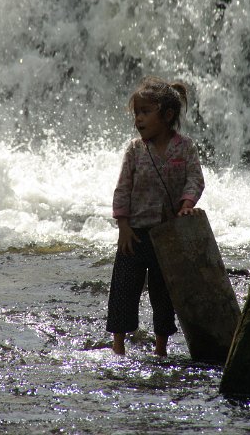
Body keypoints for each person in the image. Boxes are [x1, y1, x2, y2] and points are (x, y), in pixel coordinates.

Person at [106, 76, 205, 356]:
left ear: (168, 115)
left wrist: (187, 204)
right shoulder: (135, 150)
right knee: (124, 290)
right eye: (136, 113)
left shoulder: (185, 148)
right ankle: (118, 345)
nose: (138, 119)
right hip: (134, 234)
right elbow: (122, 188)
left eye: (145, 112)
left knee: (164, 294)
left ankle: (161, 348)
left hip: (168, 235)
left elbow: (195, 180)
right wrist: (122, 226)